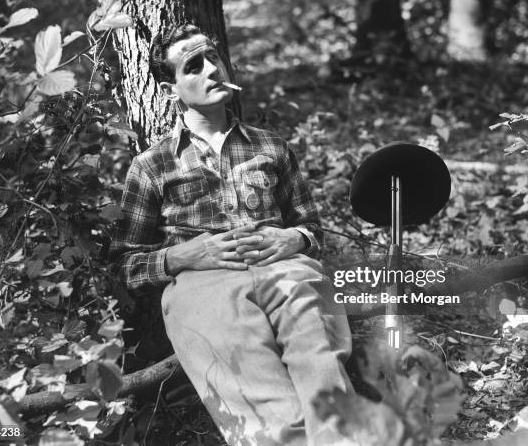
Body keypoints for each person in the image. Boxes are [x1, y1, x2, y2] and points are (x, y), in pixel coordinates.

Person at [110, 23, 354, 445]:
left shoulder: (269, 146)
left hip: (285, 270)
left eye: (214, 58)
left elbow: (312, 228)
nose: (211, 69)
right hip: (204, 288)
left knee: (320, 359)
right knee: (260, 400)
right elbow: (124, 265)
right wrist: (184, 256)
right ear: (171, 90)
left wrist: (293, 239)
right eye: (193, 66)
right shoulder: (152, 165)